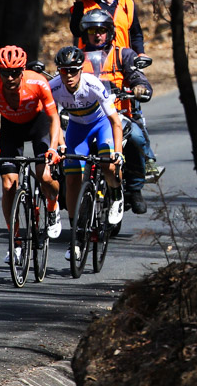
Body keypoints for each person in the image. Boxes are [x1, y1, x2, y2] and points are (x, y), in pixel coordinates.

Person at [0, 45, 64, 264]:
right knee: (8, 185)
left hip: (39, 125)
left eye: (15, 72)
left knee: (44, 175)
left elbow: (54, 118)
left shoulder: (37, 82)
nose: (10, 77)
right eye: (5, 72)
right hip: (10, 129)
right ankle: (15, 241)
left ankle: (53, 206)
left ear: (23, 69)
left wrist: (53, 148)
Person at [77, 9, 156, 215]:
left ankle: (134, 189)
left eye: (102, 30)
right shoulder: (77, 57)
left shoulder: (124, 54)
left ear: (110, 32)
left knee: (137, 139)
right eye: (92, 30)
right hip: (84, 116)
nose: (97, 35)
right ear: (85, 33)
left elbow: (138, 77)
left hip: (118, 114)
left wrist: (140, 87)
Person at [48, 46, 125, 253]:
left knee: (108, 167)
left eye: (74, 70)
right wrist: (60, 146)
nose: (69, 75)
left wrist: (118, 153)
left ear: (81, 70)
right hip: (76, 129)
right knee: (71, 178)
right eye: (64, 70)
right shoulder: (53, 88)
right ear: (59, 71)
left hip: (101, 126)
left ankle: (117, 195)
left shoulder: (93, 85)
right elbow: (51, 121)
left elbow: (115, 122)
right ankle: (77, 231)